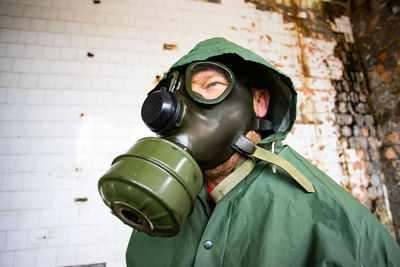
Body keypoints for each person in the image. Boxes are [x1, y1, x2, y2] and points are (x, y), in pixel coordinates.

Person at [122, 37, 399, 266]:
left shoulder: (343, 231)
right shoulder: (157, 210)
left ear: (260, 102)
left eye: (211, 85)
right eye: (177, 95)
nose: (186, 110)